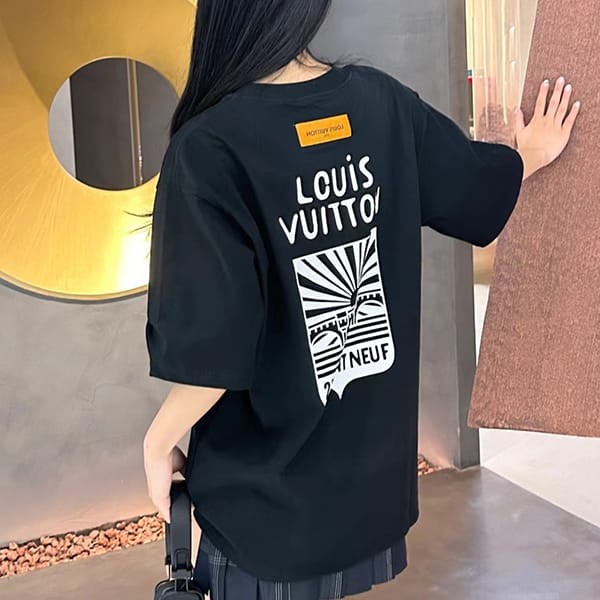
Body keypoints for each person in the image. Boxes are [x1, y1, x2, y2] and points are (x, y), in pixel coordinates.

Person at [142, 1, 581, 598]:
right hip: (368, 498)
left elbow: (215, 353)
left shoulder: (208, 150)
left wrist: (157, 443)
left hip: (266, 514)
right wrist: (528, 154)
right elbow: (474, 187)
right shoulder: (381, 104)